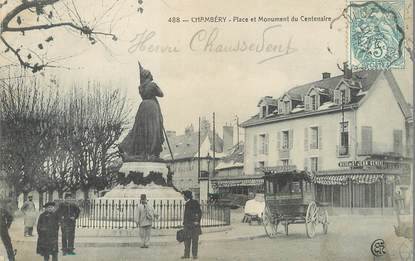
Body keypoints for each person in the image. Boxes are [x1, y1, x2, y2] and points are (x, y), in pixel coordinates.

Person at [119, 62, 165, 161]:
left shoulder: (141, 87)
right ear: (149, 75)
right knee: (153, 130)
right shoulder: (152, 85)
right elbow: (161, 94)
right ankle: (151, 153)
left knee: (140, 129)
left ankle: (131, 148)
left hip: (143, 107)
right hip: (152, 108)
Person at [181, 191, 202, 260]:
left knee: (191, 241)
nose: (183, 197)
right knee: (190, 241)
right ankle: (190, 255)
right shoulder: (191, 203)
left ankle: (191, 255)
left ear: (187, 196)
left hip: (192, 225)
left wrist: (197, 221)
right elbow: (198, 213)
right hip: (191, 225)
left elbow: (198, 213)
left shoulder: (192, 203)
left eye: (184, 196)